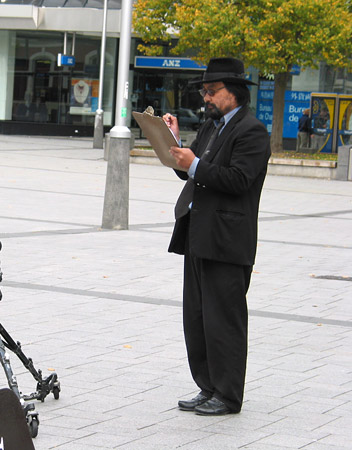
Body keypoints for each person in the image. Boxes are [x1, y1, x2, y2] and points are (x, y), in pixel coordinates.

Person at [162, 57, 271, 416]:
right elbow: (194, 172)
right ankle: (207, 387)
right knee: (196, 318)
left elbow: (238, 180)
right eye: (204, 91)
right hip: (197, 234)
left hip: (227, 240)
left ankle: (227, 395)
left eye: (212, 91)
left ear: (234, 93)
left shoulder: (251, 131)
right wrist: (175, 143)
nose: (206, 97)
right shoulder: (212, 126)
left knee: (224, 321)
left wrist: (193, 163)